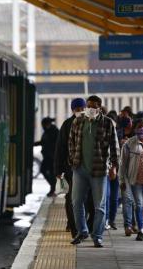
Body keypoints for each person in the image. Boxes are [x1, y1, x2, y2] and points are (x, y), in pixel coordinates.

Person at [68, 95, 119, 248]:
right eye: (88, 106)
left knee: (100, 206)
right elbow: (71, 142)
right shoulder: (78, 121)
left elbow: (114, 147)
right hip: (79, 169)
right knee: (76, 202)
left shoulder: (107, 123)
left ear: (99, 108)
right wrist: (72, 161)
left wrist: (114, 166)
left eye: (93, 106)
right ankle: (82, 231)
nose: (89, 109)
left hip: (100, 169)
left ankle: (97, 236)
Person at [54, 98, 86, 238]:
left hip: (89, 168)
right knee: (71, 198)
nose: (79, 111)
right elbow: (60, 148)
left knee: (87, 199)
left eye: (81, 108)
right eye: (77, 109)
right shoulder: (67, 124)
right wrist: (58, 170)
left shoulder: (90, 123)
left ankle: (83, 226)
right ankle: (74, 228)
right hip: (71, 168)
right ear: (72, 110)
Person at [117, 114, 138, 236]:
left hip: (136, 170)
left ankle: (135, 224)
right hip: (124, 170)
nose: (131, 123)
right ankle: (128, 225)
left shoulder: (137, 134)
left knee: (137, 201)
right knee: (127, 199)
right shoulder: (118, 134)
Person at [35, 117, 59, 197]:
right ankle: (53, 188)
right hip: (48, 156)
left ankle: (53, 189)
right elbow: (43, 142)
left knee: (49, 172)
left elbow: (54, 144)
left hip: (52, 157)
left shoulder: (54, 132)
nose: (43, 127)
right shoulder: (47, 131)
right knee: (46, 171)